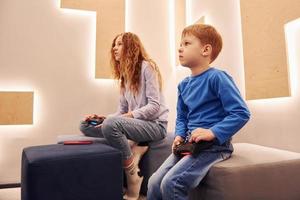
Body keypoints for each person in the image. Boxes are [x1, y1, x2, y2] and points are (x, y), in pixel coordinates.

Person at [147, 24, 250, 200]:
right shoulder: (183, 85)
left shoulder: (217, 77)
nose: (180, 48)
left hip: (214, 147)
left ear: (206, 50)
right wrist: (179, 135)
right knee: (154, 182)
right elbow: (182, 116)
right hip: (189, 145)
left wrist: (212, 132)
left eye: (186, 43)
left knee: (171, 183)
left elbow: (241, 113)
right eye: (180, 44)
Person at [79, 32, 169, 200]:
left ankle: (133, 177)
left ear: (131, 47)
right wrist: (104, 118)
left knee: (111, 125)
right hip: (134, 124)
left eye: (119, 44)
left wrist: (125, 117)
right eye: (114, 44)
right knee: (84, 125)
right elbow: (121, 111)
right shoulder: (124, 75)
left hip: (155, 125)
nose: (114, 48)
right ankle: (136, 146)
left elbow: (154, 107)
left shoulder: (147, 67)